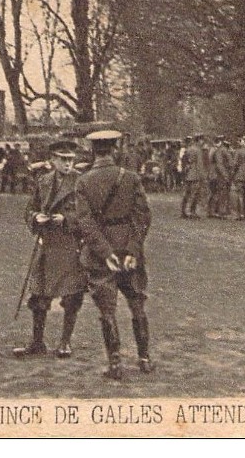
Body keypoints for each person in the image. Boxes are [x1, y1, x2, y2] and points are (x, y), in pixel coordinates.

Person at [74, 130, 154, 380]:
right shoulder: (130, 178)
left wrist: (105, 253)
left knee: (107, 311)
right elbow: (142, 216)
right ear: (115, 149)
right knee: (137, 305)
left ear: (92, 151)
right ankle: (145, 358)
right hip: (129, 250)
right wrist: (132, 249)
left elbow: (85, 223)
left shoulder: (83, 181)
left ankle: (115, 364)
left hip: (101, 254)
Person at [13, 141, 87, 359]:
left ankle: (65, 342)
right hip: (46, 244)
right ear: (53, 160)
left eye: (70, 159)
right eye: (62, 159)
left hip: (69, 245)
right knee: (39, 295)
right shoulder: (43, 181)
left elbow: (89, 215)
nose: (67, 163)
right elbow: (30, 209)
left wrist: (66, 219)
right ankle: (37, 342)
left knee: (71, 295)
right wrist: (37, 217)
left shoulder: (81, 182)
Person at [181, 134, 205, 218]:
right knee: (195, 194)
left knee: (187, 194)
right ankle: (191, 212)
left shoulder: (188, 149)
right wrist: (203, 176)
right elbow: (200, 164)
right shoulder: (198, 150)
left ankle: (184, 211)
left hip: (188, 174)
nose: (203, 142)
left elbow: (184, 161)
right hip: (195, 174)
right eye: (202, 140)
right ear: (199, 140)